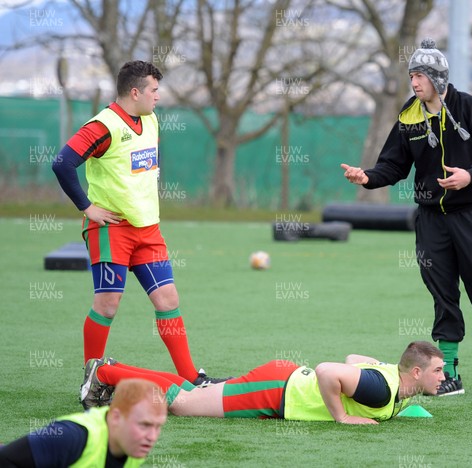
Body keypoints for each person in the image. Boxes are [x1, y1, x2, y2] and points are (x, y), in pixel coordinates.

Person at [341, 38, 472, 398]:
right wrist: (367, 176)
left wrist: (470, 176)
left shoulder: (471, 108)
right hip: (431, 220)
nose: (414, 82)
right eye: (412, 75)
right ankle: (450, 375)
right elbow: (394, 164)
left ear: (439, 79)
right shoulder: (409, 115)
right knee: (443, 294)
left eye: (421, 76)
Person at [52, 60, 222, 386]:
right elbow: (62, 163)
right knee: (108, 303)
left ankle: (190, 377)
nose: (158, 96)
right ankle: (93, 378)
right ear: (135, 92)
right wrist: (86, 207)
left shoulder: (151, 119)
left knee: (168, 300)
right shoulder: (103, 126)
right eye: (154, 90)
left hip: (148, 230)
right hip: (112, 228)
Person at [79, 341, 445, 425]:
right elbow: (328, 370)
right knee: (182, 405)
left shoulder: (394, 383)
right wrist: (341, 417)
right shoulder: (380, 389)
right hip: (276, 391)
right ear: (415, 373)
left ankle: (113, 368)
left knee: (194, 393)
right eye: (438, 371)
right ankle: (105, 375)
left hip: (281, 378)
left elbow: (353, 361)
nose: (444, 378)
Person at [0, 379, 167, 467]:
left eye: (158, 426)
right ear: (116, 417)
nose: (152, 436)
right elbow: (5, 459)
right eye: (144, 425)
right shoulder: (71, 437)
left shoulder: (133, 448)